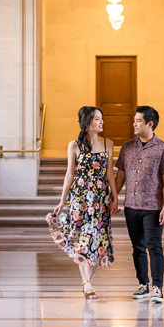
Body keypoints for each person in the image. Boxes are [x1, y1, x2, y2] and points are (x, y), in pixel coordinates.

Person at [46, 106, 118, 299]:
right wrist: (62, 201)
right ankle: (87, 284)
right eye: (97, 119)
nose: (101, 122)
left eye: (102, 119)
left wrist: (115, 196)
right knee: (82, 239)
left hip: (100, 198)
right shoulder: (74, 145)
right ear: (87, 122)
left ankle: (88, 283)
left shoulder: (108, 144)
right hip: (80, 198)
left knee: (98, 239)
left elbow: (110, 173)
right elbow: (70, 174)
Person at [115, 105, 164, 304]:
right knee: (137, 247)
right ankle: (143, 284)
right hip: (131, 206)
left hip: (153, 207)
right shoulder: (127, 147)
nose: (134, 124)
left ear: (150, 123)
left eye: (138, 120)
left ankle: (157, 287)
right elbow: (120, 175)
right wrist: (114, 197)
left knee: (154, 246)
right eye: (134, 120)